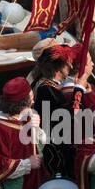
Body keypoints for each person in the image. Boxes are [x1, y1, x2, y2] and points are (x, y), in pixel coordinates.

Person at [0, 78, 45, 189]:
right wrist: (28, 163)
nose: (33, 102)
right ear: (23, 103)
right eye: (31, 99)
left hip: (32, 187)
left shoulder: (23, 118)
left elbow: (39, 145)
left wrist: (36, 128)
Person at [32, 43, 76, 179]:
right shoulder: (46, 89)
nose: (72, 67)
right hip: (54, 150)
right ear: (58, 66)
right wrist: (79, 88)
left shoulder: (44, 85)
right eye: (68, 63)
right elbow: (67, 117)